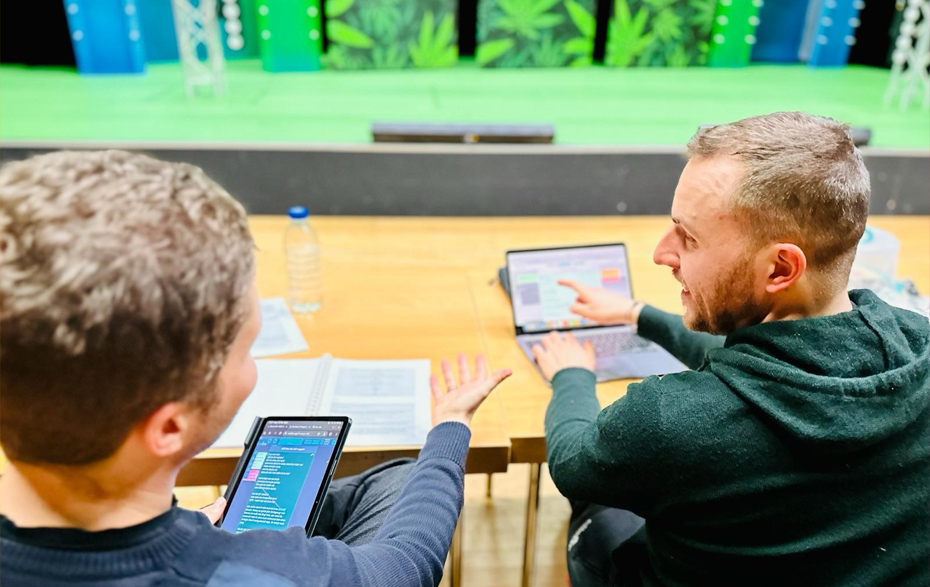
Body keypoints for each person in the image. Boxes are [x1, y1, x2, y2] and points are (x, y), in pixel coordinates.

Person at [0, 150, 511, 587]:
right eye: (247, 350)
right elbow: (402, 568)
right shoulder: (265, 572)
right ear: (169, 426)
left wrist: (181, 524)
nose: (251, 368)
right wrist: (451, 426)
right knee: (398, 481)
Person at [531, 112, 929, 587]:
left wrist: (572, 375)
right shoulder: (917, 344)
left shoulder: (665, 420)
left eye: (689, 237)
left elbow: (573, 463)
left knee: (599, 506)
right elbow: (765, 362)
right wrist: (639, 314)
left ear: (781, 269)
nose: (662, 253)